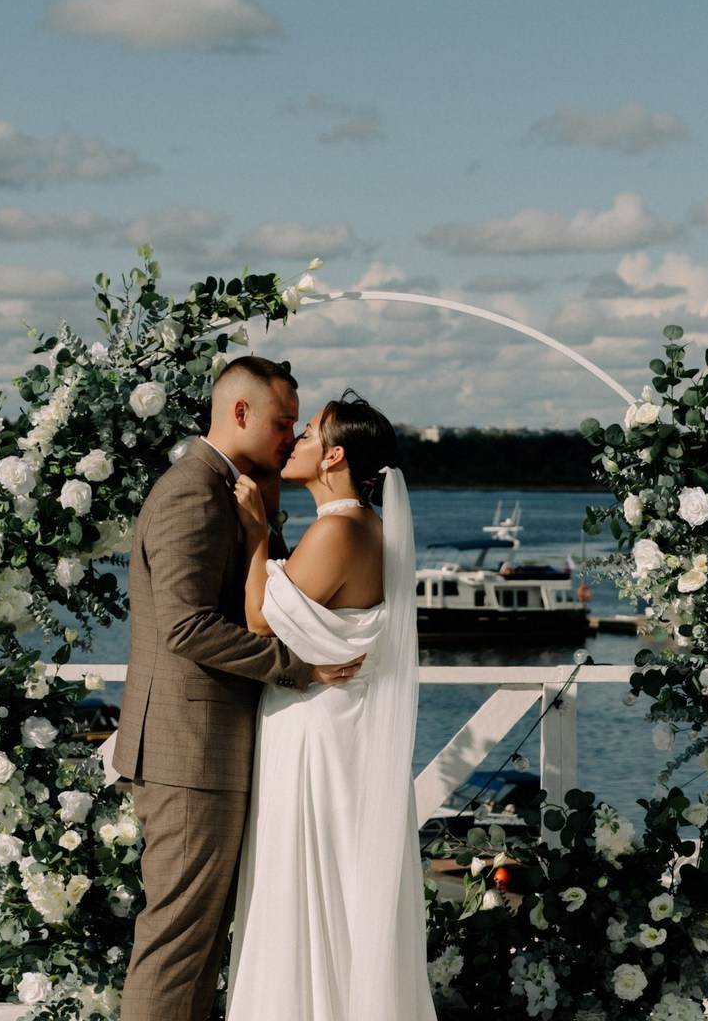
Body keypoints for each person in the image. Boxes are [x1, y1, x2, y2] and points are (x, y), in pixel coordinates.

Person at [112, 357, 362, 1021]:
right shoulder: (193, 492)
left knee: (196, 952)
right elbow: (188, 628)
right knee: (174, 948)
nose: (289, 437)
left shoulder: (235, 491)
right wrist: (298, 666)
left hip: (207, 750)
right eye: (284, 423)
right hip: (188, 754)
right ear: (241, 413)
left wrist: (265, 527)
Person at [228, 390, 436, 1021]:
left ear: (334, 455)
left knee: (306, 885)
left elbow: (261, 621)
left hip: (317, 736)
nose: (295, 441)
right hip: (342, 728)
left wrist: (258, 536)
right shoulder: (369, 528)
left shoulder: (340, 529)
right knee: (340, 886)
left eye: (310, 433)